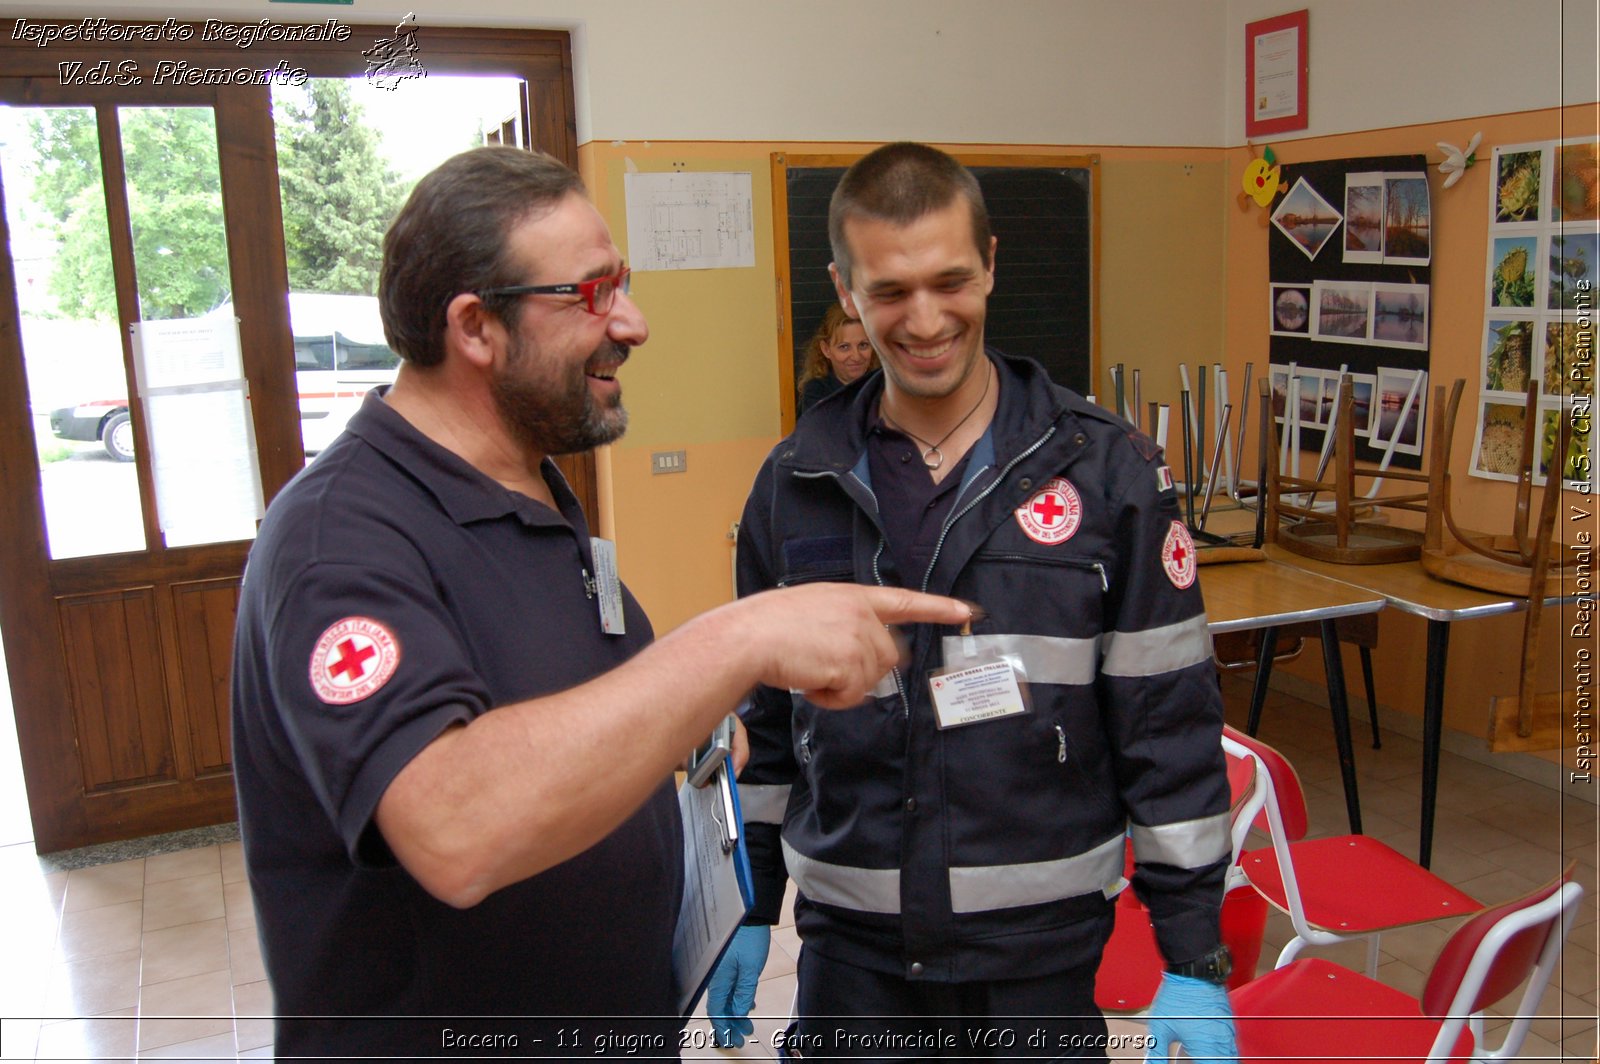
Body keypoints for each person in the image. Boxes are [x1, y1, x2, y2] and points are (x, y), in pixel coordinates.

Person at [229, 145, 973, 1059]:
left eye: (621, 282)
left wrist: (693, 726)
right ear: (475, 327)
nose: (634, 322)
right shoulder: (340, 538)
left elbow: (579, 705)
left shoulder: (533, 495)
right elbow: (454, 828)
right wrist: (733, 644)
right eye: (591, 293)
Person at [720, 143, 1238, 1061]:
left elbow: (1169, 718)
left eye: (951, 280)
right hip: (853, 959)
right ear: (844, 289)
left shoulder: (1108, 471)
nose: (924, 320)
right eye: (888, 291)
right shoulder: (793, 480)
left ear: (992, 263)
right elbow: (764, 721)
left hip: (1039, 949)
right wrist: (751, 901)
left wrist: (1192, 951)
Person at [797, 303, 879, 413]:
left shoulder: (883, 384)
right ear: (826, 349)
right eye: (844, 347)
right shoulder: (816, 391)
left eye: (863, 345)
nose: (856, 356)